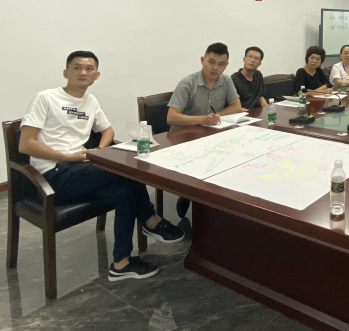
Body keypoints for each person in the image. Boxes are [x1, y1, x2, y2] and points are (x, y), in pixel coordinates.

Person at [19, 51, 184, 282]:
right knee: (128, 169)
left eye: (89, 69)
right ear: (66, 72)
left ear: (96, 75)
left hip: (79, 168)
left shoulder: (90, 101)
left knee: (124, 193)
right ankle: (150, 219)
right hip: (53, 175)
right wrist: (69, 157)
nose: (83, 72)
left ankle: (121, 263)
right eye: (77, 67)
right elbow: (26, 144)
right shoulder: (45, 98)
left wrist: (100, 150)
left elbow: (107, 130)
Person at [168, 42, 242, 218]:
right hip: (184, 138)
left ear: (226, 65)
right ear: (202, 60)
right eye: (211, 62)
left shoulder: (226, 80)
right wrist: (203, 119)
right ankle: (190, 195)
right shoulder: (187, 83)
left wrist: (215, 116)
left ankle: (221, 203)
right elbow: (171, 117)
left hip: (210, 134)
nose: (215, 68)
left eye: (221, 64)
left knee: (236, 154)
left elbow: (236, 106)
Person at [231, 46, 268, 111]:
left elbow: (260, 97)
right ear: (244, 59)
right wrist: (251, 113)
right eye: (249, 56)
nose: (252, 60)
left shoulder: (258, 75)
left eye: (256, 58)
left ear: (259, 64)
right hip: (242, 114)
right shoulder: (233, 80)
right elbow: (233, 107)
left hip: (257, 113)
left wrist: (268, 109)